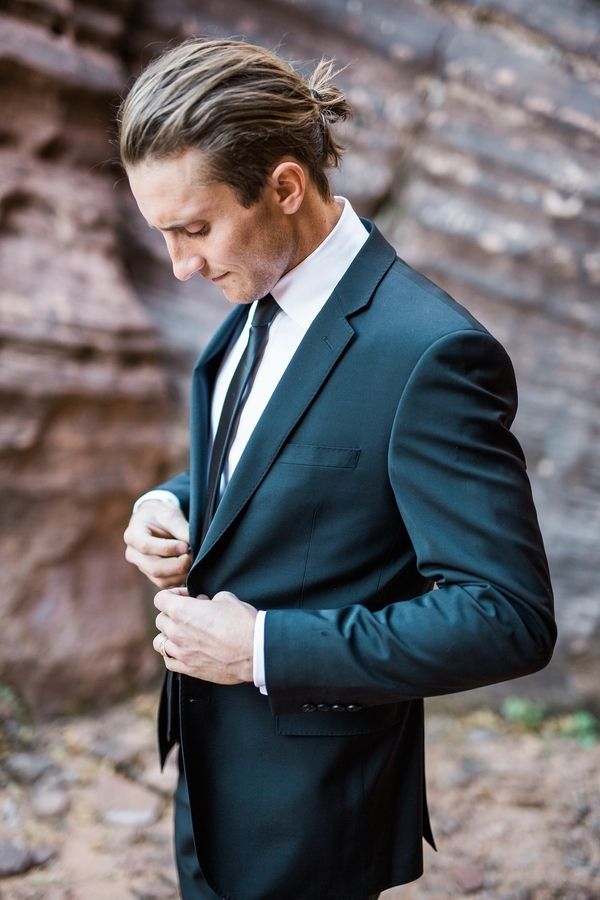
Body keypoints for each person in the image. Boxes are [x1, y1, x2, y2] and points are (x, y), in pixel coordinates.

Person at [119, 37, 556, 900]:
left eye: (195, 229)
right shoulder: (257, 289)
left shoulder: (432, 353)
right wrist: (170, 503)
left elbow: (507, 616)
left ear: (285, 187)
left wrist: (262, 647)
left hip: (318, 811)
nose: (182, 265)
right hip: (213, 776)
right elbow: (268, 468)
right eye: (162, 233)